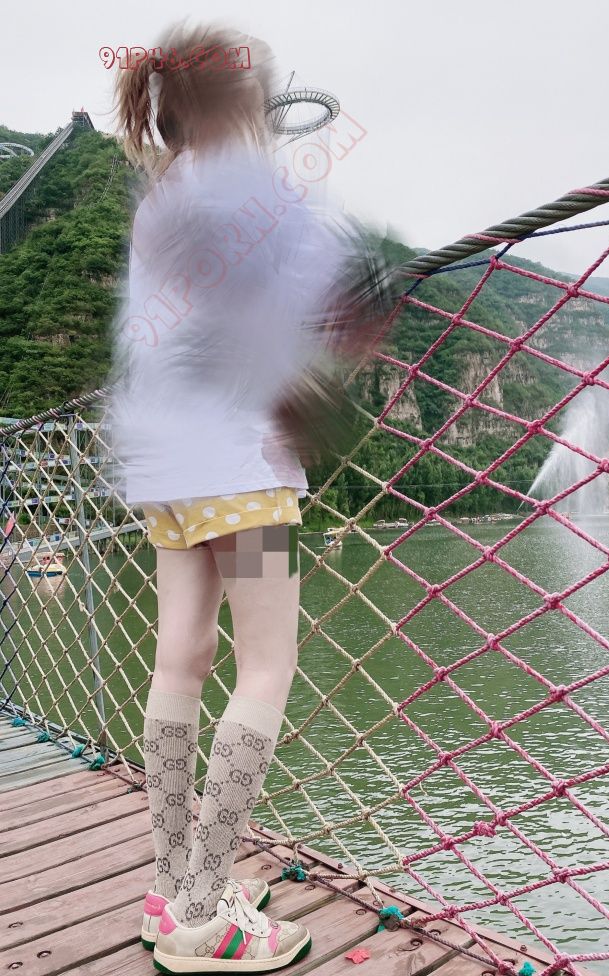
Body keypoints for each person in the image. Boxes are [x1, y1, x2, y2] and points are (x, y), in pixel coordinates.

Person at [107, 18, 393, 974]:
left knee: (180, 659)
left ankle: (173, 886)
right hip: (245, 472)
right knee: (266, 666)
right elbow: (335, 313)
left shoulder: (164, 195)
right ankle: (202, 914)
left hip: (166, 470)